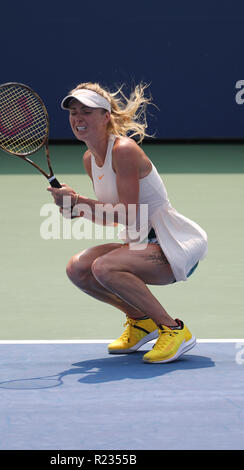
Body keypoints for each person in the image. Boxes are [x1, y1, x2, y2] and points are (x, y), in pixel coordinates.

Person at [47, 82, 208, 363]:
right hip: (140, 244)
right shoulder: (90, 159)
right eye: (73, 112)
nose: (78, 118)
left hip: (172, 244)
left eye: (87, 111)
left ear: (105, 116)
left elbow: (130, 213)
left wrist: (80, 201)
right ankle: (140, 320)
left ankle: (173, 329)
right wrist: (76, 210)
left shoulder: (123, 150)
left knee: (104, 267)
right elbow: (114, 217)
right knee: (78, 268)